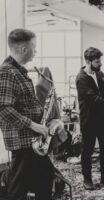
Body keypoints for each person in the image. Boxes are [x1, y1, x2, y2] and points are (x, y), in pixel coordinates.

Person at [0, 29, 54, 200]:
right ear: (23, 49)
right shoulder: (8, 72)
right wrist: (33, 125)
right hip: (23, 141)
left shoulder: (19, 71)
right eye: (34, 48)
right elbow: (2, 108)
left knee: (45, 177)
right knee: (18, 189)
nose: (35, 52)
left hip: (32, 140)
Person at [76, 47, 104, 190]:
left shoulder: (99, 73)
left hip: (102, 119)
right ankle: (87, 180)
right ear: (88, 61)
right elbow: (95, 99)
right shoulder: (81, 78)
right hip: (88, 120)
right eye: (97, 61)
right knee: (87, 151)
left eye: (100, 60)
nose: (100, 63)